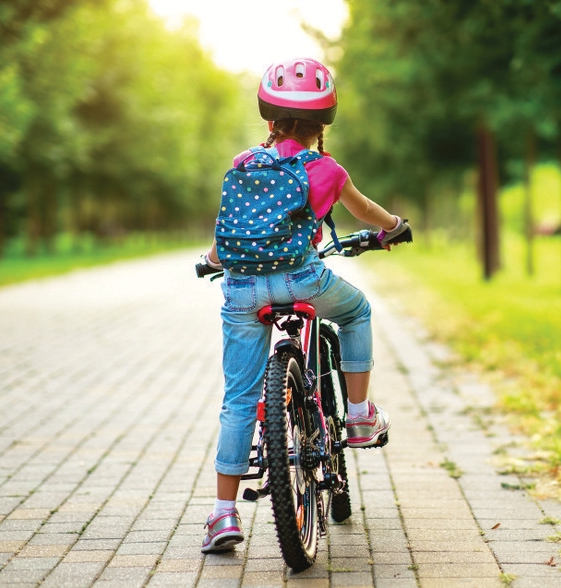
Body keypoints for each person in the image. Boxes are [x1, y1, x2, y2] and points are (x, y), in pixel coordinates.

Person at [198, 57, 410, 554]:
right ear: (322, 126)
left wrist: (209, 262)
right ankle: (357, 415)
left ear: (269, 122)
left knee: (238, 400)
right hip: (303, 279)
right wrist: (393, 227)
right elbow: (369, 213)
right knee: (357, 311)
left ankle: (224, 516)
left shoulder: (244, 164)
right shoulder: (328, 170)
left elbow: (228, 230)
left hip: (243, 288)